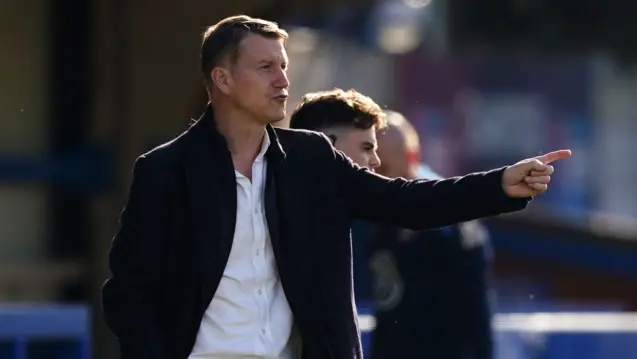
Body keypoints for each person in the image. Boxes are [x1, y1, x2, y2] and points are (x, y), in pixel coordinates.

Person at [101, 14, 571, 359]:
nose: (284, 81)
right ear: (222, 79)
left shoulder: (310, 160)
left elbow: (405, 201)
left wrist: (501, 185)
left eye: (284, 66)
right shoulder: (164, 171)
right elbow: (128, 293)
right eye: (266, 68)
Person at [367, 110, 495, 359]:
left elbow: (477, 314)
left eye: (385, 167)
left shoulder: (455, 225)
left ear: (411, 157)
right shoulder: (373, 222)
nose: (377, 178)